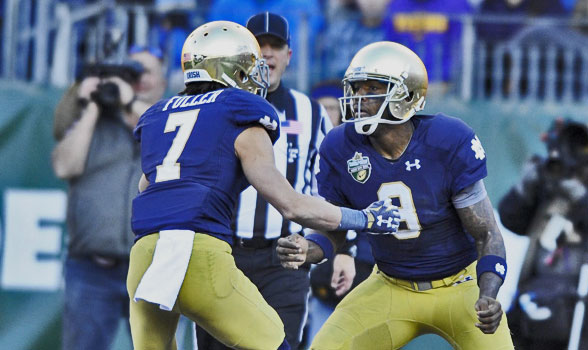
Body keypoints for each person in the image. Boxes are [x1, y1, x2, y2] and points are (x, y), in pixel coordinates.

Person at [126, 21, 400, 350]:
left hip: (146, 255)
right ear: (227, 69)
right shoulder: (240, 111)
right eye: (246, 69)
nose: (253, 76)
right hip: (201, 255)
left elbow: (146, 186)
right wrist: (365, 218)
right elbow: (291, 204)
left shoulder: (159, 113)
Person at [277, 41, 514, 350]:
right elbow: (334, 225)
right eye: (356, 88)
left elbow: (486, 233)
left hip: (460, 284)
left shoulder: (447, 139)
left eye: (372, 88)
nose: (360, 98)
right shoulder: (340, 146)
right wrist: (311, 248)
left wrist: (488, 294)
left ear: (406, 95)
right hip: (390, 284)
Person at [193, 12, 356, 350]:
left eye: (275, 45)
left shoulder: (309, 112)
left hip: (282, 258)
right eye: (259, 45)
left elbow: (330, 188)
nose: (267, 53)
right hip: (222, 254)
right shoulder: (212, 106)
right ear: (242, 53)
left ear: (288, 55)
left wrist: (343, 249)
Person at [497, 63, 588, 350]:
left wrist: (581, 198)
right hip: (545, 301)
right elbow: (512, 219)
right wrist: (532, 183)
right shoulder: (561, 176)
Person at [51, 47, 166, 350]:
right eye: (129, 73)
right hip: (92, 269)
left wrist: (129, 101)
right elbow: (64, 165)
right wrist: (89, 103)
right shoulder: (96, 119)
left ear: (162, 82)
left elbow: (162, 133)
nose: (136, 80)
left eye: (144, 73)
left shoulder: (172, 119)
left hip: (151, 270)